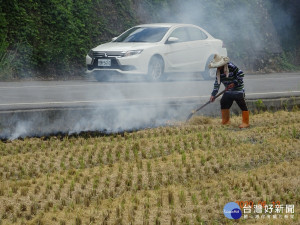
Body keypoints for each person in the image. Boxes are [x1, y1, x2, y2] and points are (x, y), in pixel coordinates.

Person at [209, 54, 249, 128]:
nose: (218, 67)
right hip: (228, 90)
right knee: (223, 102)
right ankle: (226, 121)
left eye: (219, 65)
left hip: (238, 88)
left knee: (241, 103)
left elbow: (241, 74)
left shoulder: (231, 66)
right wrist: (213, 95)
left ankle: (245, 122)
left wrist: (234, 83)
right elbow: (217, 84)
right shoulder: (218, 72)